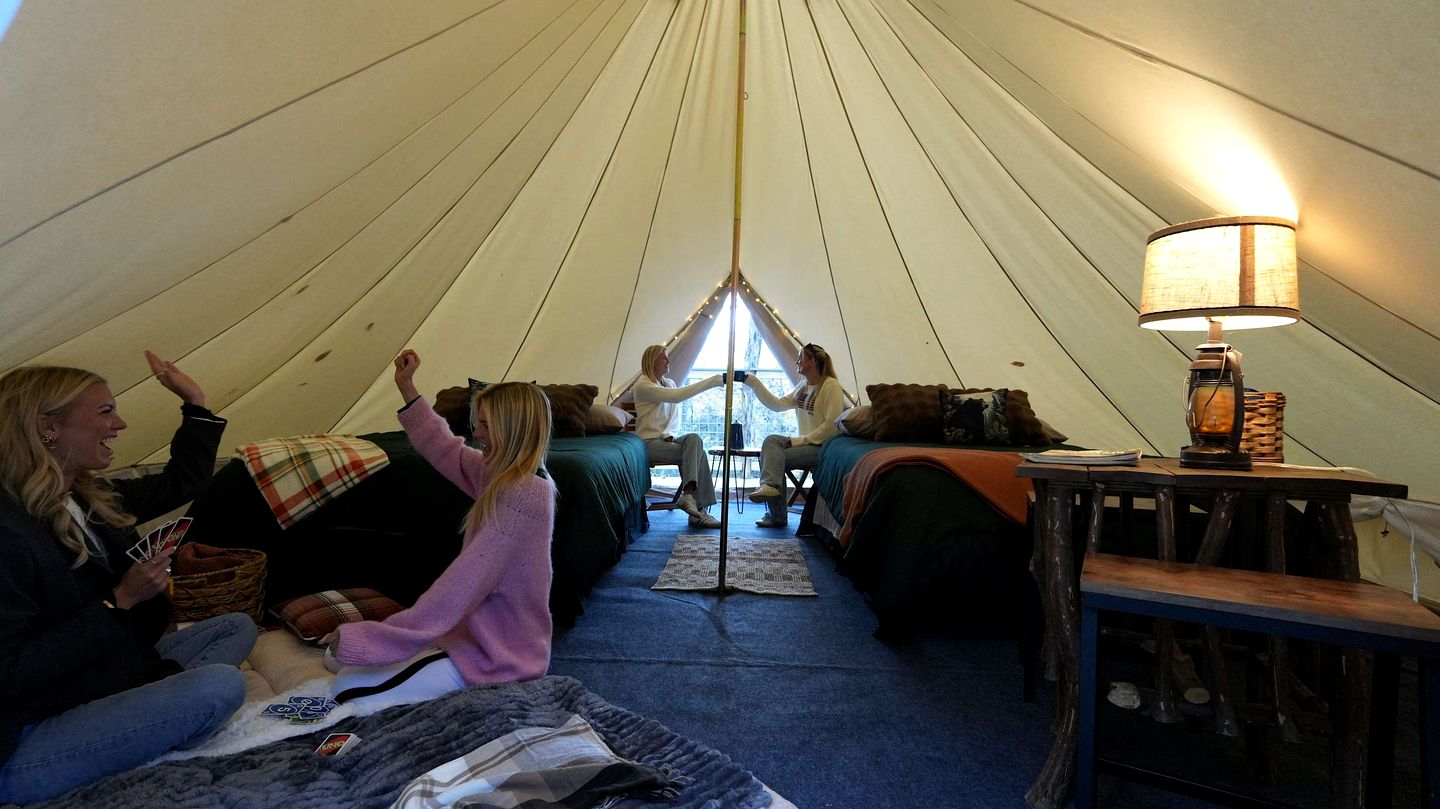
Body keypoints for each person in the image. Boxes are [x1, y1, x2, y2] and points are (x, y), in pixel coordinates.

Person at [0, 352, 253, 804]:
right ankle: (155, 720)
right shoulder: (7, 530)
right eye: (105, 412)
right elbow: (12, 673)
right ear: (47, 426)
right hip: (26, 735)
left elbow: (183, 482)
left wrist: (194, 404)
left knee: (236, 626)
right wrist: (118, 601)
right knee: (221, 686)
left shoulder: (87, 496)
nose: (120, 424)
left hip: (97, 679)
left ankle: (149, 715)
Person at [322, 349, 557, 706]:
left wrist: (380, 637)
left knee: (346, 690)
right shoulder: (501, 475)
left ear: (512, 430)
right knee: (337, 663)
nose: (476, 433)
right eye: (477, 422)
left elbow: (459, 587)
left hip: (497, 657)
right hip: (470, 638)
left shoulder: (522, 495)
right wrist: (407, 388)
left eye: (485, 425)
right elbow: (446, 449)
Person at [739, 343, 845, 528]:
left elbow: (830, 426)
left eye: (800, 357)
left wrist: (797, 441)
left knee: (775, 457)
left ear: (812, 361)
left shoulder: (831, 386)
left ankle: (777, 514)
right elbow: (778, 404)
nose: (797, 361)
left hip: (824, 448)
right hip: (806, 444)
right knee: (771, 442)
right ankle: (770, 488)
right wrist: (752, 382)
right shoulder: (804, 386)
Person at [632, 345, 724, 529]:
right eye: (664, 358)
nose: (669, 361)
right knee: (699, 453)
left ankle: (688, 497)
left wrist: (670, 436)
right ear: (652, 362)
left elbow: (674, 409)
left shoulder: (669, 383)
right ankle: (698, 511)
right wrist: (714, 380)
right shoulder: (643, 386)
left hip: (667, 439)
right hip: (648, 444)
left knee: (695, 439)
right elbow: (677, 397)